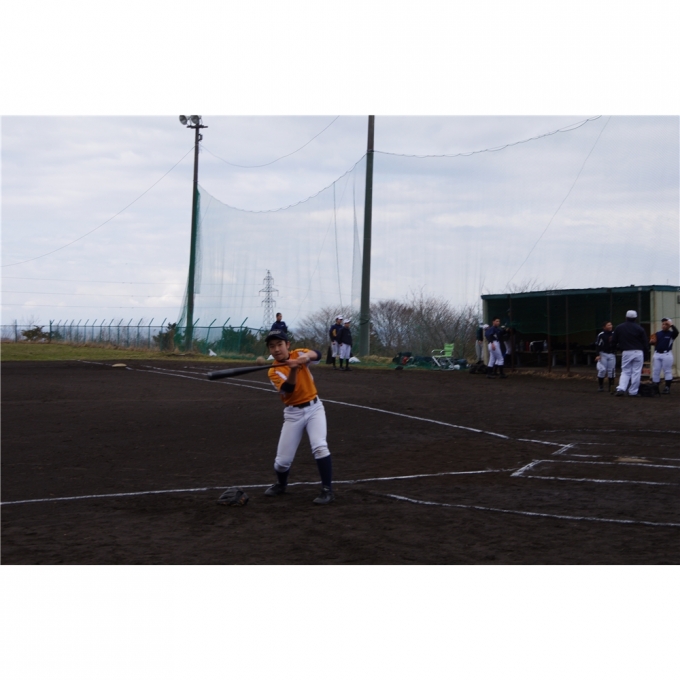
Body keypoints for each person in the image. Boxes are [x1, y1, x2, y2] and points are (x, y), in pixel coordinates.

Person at [263, 330, 334, 504]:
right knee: (282, 463)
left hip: (314, 408)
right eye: (272, 346)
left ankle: (327, 490)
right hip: (293, 414)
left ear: (287, 345)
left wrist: (304, 358)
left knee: (320, 446)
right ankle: (281, 484)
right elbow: (288, 389)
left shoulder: (298, 353)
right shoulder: (273, 371)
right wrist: (293, 369)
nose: (276, 349)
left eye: (279, 345)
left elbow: (317, 354)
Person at [611, 310, 649, 397]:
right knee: (636, 372)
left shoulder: (619, 327)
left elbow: (614, 341)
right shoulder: (640, 328)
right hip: (638, 352)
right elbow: (645, 342)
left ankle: (621, 388)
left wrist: (614, 350)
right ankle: (633, 392)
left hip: (626, 352)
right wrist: (646, 355)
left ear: (626, 317)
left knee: (625, 371)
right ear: (635, 318)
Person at [650, 317, 678, 395]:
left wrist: (671, 325)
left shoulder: (671, 334)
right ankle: (655, 388)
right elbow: (652, 343)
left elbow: (676, 332)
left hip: (667, 354)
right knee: (656, 371)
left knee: (667, 371)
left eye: (666, 324)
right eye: (663, 324)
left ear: (669, 326)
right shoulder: (657, 333)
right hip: (657, 354)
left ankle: (667, 388)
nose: (664, 326)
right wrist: (651, 342)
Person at [594, 321, 616, 392]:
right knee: (602, 370)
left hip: (612, 354)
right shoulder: (601, 334)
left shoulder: (614, 334)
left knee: (611, 371)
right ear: (604, 327)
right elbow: (598, 345)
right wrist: (597, 354)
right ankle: (600, 386)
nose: (610, 326)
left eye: (611, 325)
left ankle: (611, 387)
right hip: (603, 354)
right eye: (608, 325)